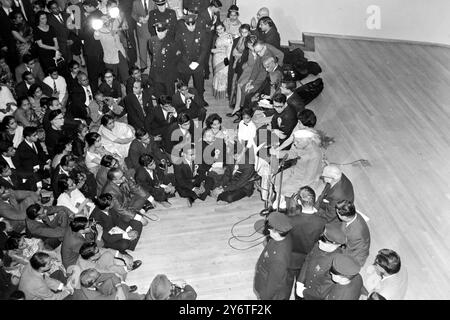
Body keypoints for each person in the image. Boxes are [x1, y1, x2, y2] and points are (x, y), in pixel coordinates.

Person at [285, 186, 326, 296]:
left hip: (291, 258)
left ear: (299, 201)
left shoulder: (291, 219)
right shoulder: (322, 221)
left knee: (286, 284)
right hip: (308, 260)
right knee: (302, 286)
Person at [271, 129, 324, 210]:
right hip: (296, 170)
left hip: (304, 179)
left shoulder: (315, 155)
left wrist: (290, 186)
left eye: (297, 142)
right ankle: (281, 198)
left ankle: (282, 201)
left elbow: (308, 179)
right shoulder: (304, 145)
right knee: (276, 179)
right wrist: (277, 153)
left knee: (280, 187)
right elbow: (293, 153)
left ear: (307, 140)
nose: (295, 144)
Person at [296, 223, 346, 300]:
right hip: (304, 286)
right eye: (321, 238)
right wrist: (300, 281)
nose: (319, 242)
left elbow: (322, 292)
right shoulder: (319, 245)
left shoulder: (337, 264)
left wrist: (303, 292)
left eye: (324, 241)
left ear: (336, 245)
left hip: (313, 295)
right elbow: (308, 260)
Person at [254, 212, 293, 300]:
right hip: (264, 277)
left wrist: (264, 297)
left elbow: (273, 283)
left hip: (271, 293)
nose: (268, 229)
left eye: (269, 227)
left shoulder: (279, 259)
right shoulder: (283, 237)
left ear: (275, 231)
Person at [175, 14, 208, 106]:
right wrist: (189, 63)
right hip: (185, 64)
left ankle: (200, 99)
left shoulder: (201, 32)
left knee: (199, 85)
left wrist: (198, 62)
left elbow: (204, 49)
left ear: (195, 22)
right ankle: (183, 101)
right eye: (188, 25)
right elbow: (179, 51)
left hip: (198, 63)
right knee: (183, 85)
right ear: (185, 24)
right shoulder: (179, 33)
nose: (191, 27)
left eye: (193, 24)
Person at [76, 241, 142, 279]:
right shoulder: (87, 266)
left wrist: (124, 257)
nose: (100, 251)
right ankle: (126, 271)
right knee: (113, 270)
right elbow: (104, 271)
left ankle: (125, 269)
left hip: (97, 265)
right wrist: (118, 272)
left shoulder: (92, 251)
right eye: (97, 252)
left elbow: (108, 250)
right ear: (91, 257)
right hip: (94, 278)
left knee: (108, 254)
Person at [93, 15, 129, 83]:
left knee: (125, 75)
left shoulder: (114, 26)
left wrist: (118, 28)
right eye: (103, 20)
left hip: (120, 53)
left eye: (106, 20)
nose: (105, 22)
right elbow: (96, 37)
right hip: (110, 57)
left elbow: (125, 27)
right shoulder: (99, 31)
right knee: (112, 78)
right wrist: (96, 28)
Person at [148, 21, 179, 97]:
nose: (160, 33)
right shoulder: (151, 40)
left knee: (169, 95)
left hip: (168, 73)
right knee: (159, 95)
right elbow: (152, 53)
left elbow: (176, 58)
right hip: (157, 73)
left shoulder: (172, 42)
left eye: (162, 31)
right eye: (158, 31)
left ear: (166, 30)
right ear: (155, 30)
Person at [336, 200, 371, 267]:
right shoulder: (352, 214)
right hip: (351, 242)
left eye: (338, 214)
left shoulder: (356, 234)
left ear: (344, 217)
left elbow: (350, 249)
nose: (336, 214)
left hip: (356, 254)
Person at [79, 0, 104, 93]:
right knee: (103, 71)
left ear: (90, 6)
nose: (84, 9)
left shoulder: (90, 18)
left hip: (91, 49)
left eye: (85, 7)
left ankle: (94, 93)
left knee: (93, 74)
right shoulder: (101, 14)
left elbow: (83, 35)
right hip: (101, 48)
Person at [73, 268, 143, 300]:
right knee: (124, 296)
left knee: (111, 281)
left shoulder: (90, 277)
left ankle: (133, 294)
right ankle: (138, 296)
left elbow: (111, 275)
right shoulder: (94, 297)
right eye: (98, 276)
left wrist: (119, 288)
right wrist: (122, 283)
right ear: (94, 283)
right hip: (102, 297)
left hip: (100, 292)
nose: (100, 275)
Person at [211, 22, 233, 99]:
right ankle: (217, 92)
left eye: (221, 28)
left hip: (224, 59)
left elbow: (229, 49)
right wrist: (214, 50)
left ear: (224, 27)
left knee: (223, 76)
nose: (220, 30)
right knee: (217, 75)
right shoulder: (217, 36)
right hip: (216, 58)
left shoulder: (228, 36)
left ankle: (225, 93)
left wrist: (228, 60)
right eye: (218, 29)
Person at [132, 0, 151, 71]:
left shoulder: (153, 1)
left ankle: (153, 63)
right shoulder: (136, 2)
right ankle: (143, 66)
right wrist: (139, 18)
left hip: (151, 27)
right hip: (141, 28)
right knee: (142, 47)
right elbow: (133, 14)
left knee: (152, 46)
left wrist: (150, 16)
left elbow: (157, 11)